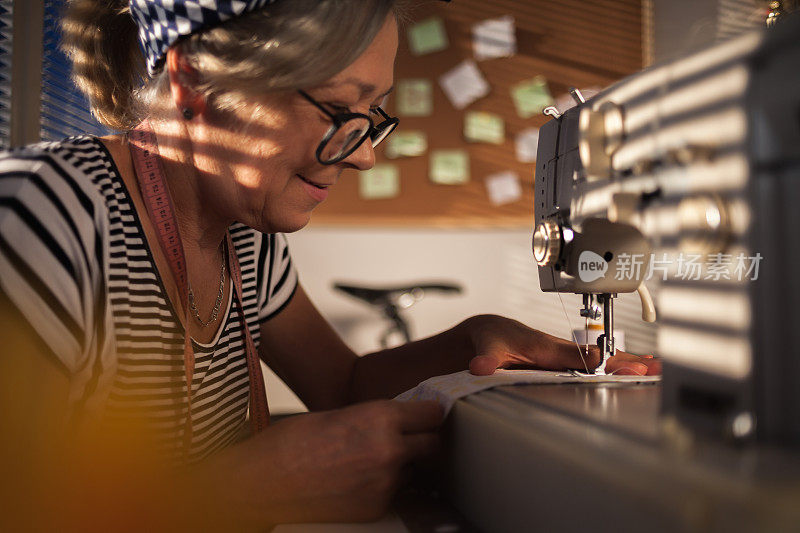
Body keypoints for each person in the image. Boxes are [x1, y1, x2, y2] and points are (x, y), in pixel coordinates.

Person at [0, 0, 660, 529]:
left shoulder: (247, 243)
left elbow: (342, 385)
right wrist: (239, 492)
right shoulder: (42, 214)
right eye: (340, 110)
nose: (365, 155)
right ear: (194, 81)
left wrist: (470, 340)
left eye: (373, 116)